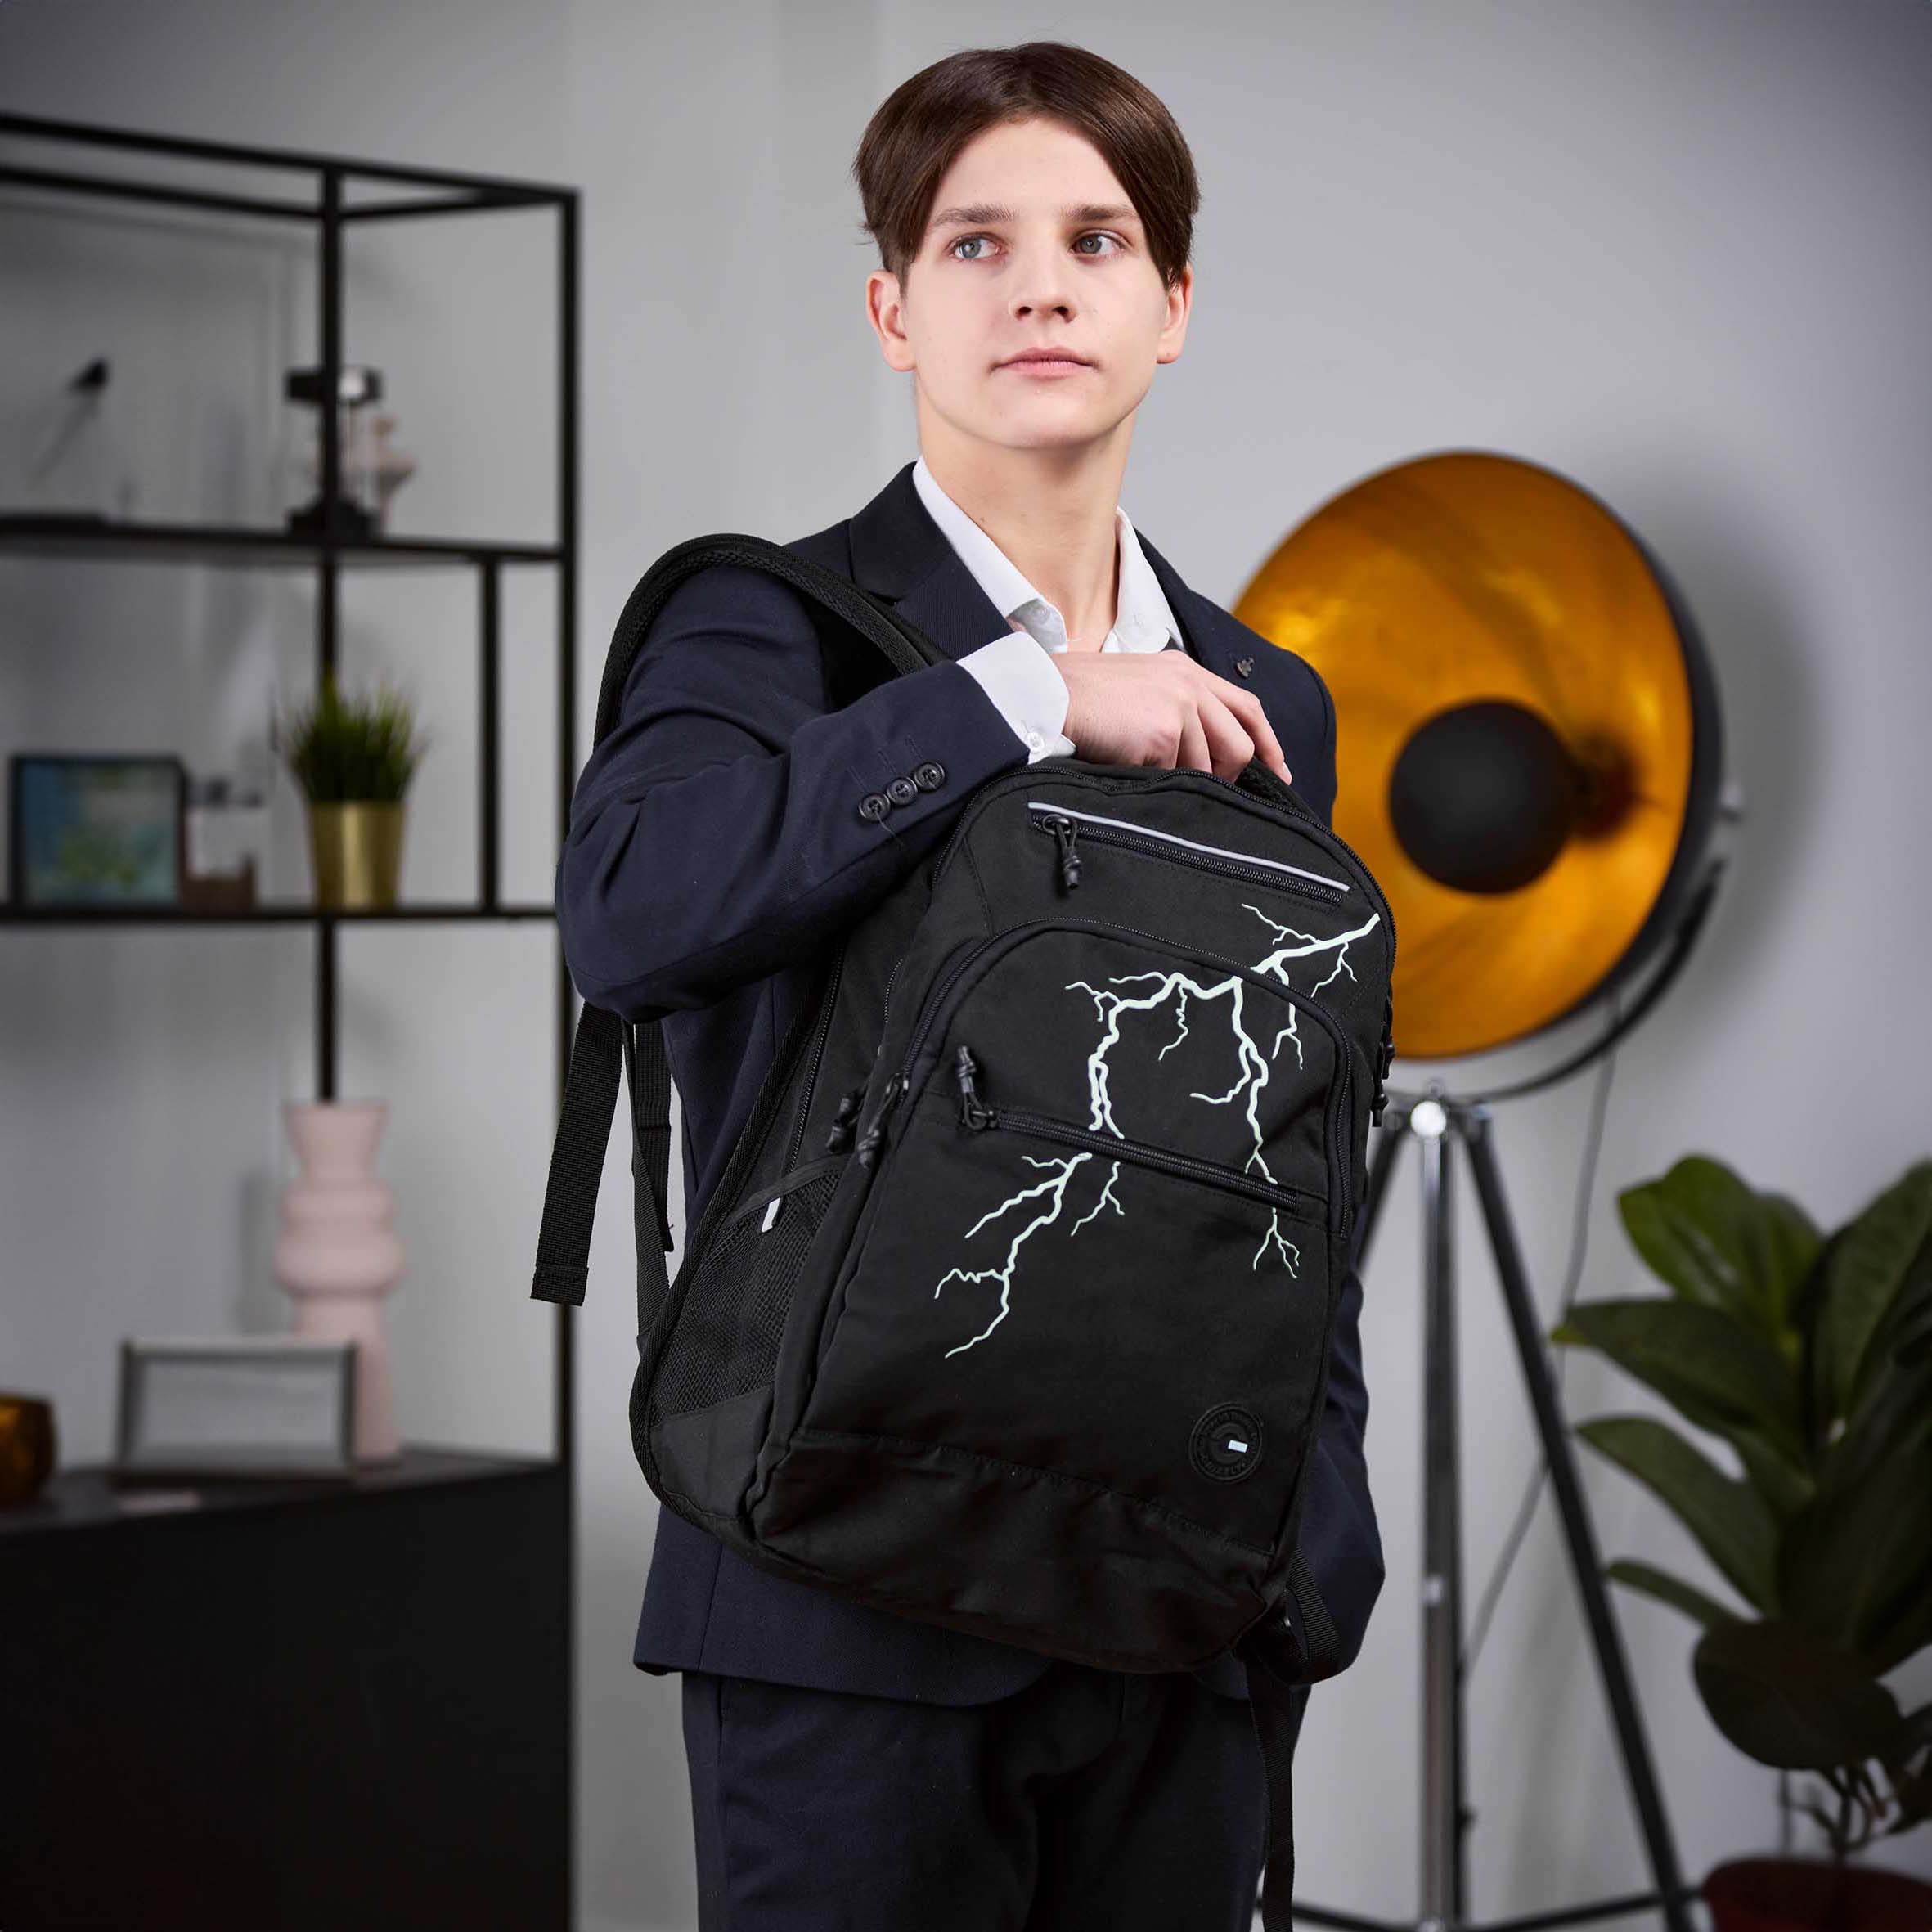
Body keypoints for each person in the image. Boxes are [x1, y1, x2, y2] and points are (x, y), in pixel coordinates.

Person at [556, 39, 1384, 1932]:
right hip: (840, 1593)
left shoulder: (1263, 697)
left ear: (1171, 306)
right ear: (892, 309)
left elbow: (1295, 1131)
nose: (1038, 289)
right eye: (973, 243)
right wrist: (1022, 695)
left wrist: (1305, 1542)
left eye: (1095, 240)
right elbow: (628, 912)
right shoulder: (764, 622)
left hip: (1176, 1607)